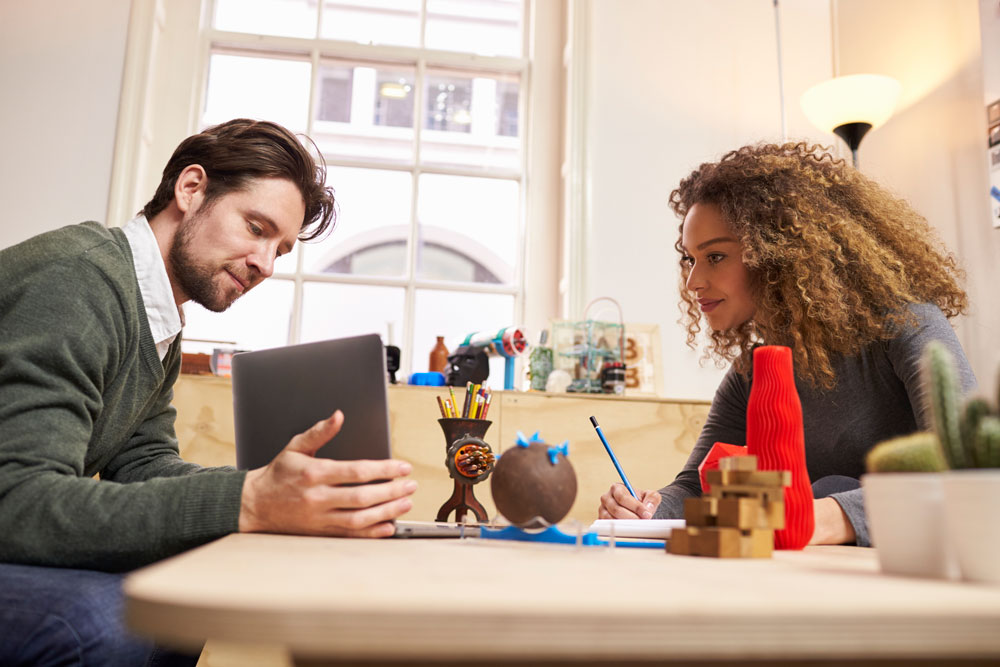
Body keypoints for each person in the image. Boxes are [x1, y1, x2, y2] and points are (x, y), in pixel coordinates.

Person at [0, 119, 418, 665]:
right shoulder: (78, 282)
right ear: (190, 189)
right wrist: (252, 501)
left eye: (280, 249)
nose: (265, 264)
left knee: (181, 600)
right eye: (255, 227)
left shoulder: (155, 314)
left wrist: (281, 491)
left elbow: (143, 462)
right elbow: (19, 502)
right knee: (105, 620)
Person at [598, 141, 976, 546]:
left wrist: (823, 516)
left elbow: (967, 470)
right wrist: (647, 509)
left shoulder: (908, 326)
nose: (693, 282)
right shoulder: (751, 371)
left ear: (778, 253)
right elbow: (695, 488)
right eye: (690, 259)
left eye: (716, 257)